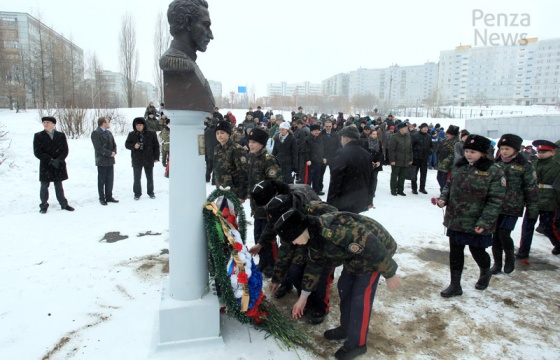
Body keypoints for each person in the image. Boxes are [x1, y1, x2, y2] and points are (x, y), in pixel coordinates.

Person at [273, 209, 400, 360]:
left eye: (293, 239)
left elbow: (372, 246)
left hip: (375, 254)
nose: (294, 243)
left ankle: (357, 344)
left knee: (360, 298)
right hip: (354, 256)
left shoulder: (335, 232)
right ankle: (346, 328)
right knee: (345, 288)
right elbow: (314, 265)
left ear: (299, 231)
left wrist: (390, 273)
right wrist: (303, 297)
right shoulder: (313, 237)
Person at [437, 134, 506, 297]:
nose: (468, 154)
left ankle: (485, 272)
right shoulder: (460, 166)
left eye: (473, 152)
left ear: (483, 153)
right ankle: (455, 285)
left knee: (478, 251)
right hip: (456, 218)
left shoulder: (494, 171)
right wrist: (443, 198)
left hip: (477, 220)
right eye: (467, 150)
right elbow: (449, 185)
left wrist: (484, 221)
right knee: (455, 252)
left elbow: (496, 200)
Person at [490, 134, 538, 274]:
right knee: (495, 236)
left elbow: (531, 189)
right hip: (495, 206)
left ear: (516, 150)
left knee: (504, 234)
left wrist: (532, 209)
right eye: (502, 148)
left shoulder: (524, 166)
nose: (504, 151)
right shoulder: (496, 163)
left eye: (507, 148)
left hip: (513, 206)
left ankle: (509, 259)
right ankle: (497, 264)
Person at [159, 0, 215, 110]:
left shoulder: (190, 63)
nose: (211, 35)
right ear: (188, 22)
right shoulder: (177, 63)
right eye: (206, 25)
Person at [247, 128, 282, 277]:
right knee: (258, 234)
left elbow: (276, 184)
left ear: (262, 143)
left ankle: (272, 264)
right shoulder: (253, 157)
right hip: (257, 207)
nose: (251, 145)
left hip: (268, 207)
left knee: (268, 237)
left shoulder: (268, 159)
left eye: (254, 142)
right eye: (249, 142)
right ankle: (263, 261)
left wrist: (271, 206)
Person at [516, 140, 560, 258]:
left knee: (548, 227)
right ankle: (523, 251)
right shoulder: (533, 164)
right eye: (539, 151)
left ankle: (558, 244)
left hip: (549, 200)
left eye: (544, 152)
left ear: (552, 152)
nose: (540, 154)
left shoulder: (556, 166)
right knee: (527, 226)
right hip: (533, 200)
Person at [33, 116, 74, 213]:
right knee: (44, 186)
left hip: (58, 164)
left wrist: (59, 160)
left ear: (53, 124)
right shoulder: (38, 136)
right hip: (46, 165)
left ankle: (64, 204)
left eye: (47, 122)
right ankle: (43, 205)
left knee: (59, 185)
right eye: (44, 122)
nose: (45, 124)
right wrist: (50, 160)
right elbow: (37, 152)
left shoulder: (61, 135)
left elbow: (65, 150)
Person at [327, 126, 373, 213]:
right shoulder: (366, 154)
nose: (341, 140)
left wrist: (331, 203)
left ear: (346, 138)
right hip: (361, 199)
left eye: (341, 138)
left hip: (344, 200)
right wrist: (369, 200)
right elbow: (372, 179)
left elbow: (336, 180)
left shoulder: (342, 153)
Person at [125, 117, 160, 200]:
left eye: (140, 125)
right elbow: (127, 144)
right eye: (137, 125)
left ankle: (150, 192)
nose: (138, 126)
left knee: (149, 177)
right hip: (137, 159)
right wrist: (133, 146)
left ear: (144, 125)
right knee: (137, 177)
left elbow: (156, 146)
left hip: (148, 158)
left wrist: (156, 157)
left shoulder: (151, 134)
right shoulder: (132, 134)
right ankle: (137, 193)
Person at [213, 120, 248, 201]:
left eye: (222, 133)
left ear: (228, 134)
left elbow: (243, 172)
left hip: (233, 191)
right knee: (220, 213)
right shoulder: (217, 149)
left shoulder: (237, 149)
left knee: (230, 214)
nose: (219, 135)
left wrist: (242, 194)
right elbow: (216, 169)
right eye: (217, 133)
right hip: (220, 189)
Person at [91, 117, 118, 205]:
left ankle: (109, 196)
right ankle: (102, 198)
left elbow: (114, 144)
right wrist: (109, 153)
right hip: (102, 160)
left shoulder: (109, 133)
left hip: (110, 160)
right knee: (102, 180)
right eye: (107, 122)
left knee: (110, 179)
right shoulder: (96, 133)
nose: (108, 123)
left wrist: (114, 151)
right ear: (103, 123)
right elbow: (98, 148)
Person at [388, 122, 413, 196]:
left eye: (407, 128)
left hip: (405, 160)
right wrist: (392, 160)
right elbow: (391, 150)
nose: (406, 129)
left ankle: (400, 190)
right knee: (394, 175)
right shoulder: (395, 137)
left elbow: (410, 149)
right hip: (396, 160)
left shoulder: (408, 137)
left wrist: (410, 159)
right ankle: (393, 189)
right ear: (400, 129)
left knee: (402, 176)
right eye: (405, 128)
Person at [303, 124, 326, 195]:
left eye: (318, 130)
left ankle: (316, 190)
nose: (317, 132)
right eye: (315, 130)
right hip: (311, 162)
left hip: (318, 161)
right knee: (309, 177)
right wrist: (307, 159)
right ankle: (307, 191)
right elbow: (305, 151)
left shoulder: (320, 139)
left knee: (317, 177)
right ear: (311, 131)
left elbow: (323, 149)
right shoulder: (307, 139)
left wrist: (323, 157)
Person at [436, 125, 460, 191]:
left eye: (448, 134)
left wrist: (445, 161)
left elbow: (453, 153)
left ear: (453, 135)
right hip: (441, 163)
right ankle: (443, 191)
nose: (447, 135)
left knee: (444, 180)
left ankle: (444, 193)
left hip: (448, 165)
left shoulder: (456, 142)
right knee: (439, 178)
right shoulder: (446, 140)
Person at [364, 125, 383, 206]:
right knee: (367, 178)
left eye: (376, 134)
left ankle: (372, 192)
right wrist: (370, 161)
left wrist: (379, 161)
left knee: (374, 178)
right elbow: (364, 153)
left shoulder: (379, 142)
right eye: (373, 134)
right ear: (370, 135)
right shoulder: (366, 142)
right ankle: (366, 191)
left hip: (376, 163)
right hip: (368, 163)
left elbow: (381, 153)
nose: (375, 135)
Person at [411, 123, 432, 194]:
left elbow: (431, 146)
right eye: (424, 128)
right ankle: (414, 188)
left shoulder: (429, 136)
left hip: (424, 158)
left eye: (427, 128)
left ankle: (422, 188)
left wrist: (430, 151)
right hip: (416, 158)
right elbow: (411, 146)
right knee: (414, 174)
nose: (426, 129)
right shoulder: (415, 135)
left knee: (423, 174)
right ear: (421, 128)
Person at [204, 116, 218, 183]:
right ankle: (214, 181)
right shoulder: (217, 132)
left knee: (209, 166)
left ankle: (207, 178)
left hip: (208, 150)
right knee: (215, 167)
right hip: (216, 151)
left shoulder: (207, 130)